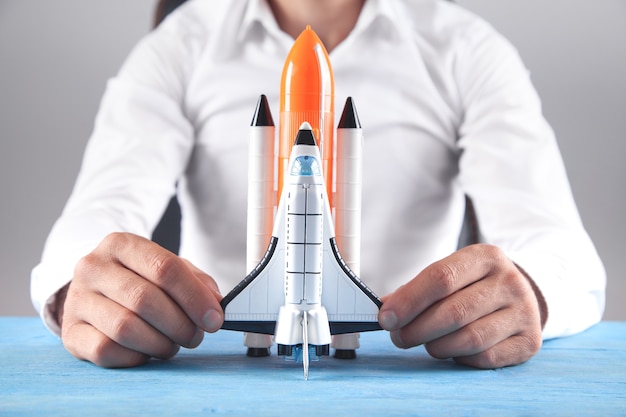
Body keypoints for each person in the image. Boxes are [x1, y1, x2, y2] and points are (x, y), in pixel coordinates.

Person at [31, 0, 605, 369]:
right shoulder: (180, 46)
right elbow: (98, 209)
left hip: (399, 363)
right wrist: (81, 290)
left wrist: (525, 291)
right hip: (225, 354)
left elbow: (560, 245)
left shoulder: (467, 50)